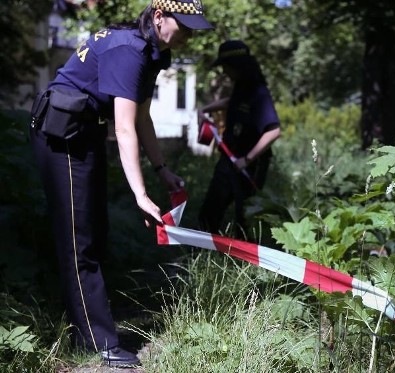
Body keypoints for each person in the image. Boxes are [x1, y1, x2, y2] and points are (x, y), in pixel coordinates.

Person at [29, 0, 213, 368]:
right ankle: (98, 343)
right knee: (79, 241)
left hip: (85, 132)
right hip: (61, 135)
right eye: (185, 24)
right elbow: (124, 126)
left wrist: (160, 169)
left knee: (95, 230)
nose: (191, 33)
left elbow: (142, 116)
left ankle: (88, 329)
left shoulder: (154, 51)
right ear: (160, 17)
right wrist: (141, 195)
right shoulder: (128, 49)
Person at [198, 40, 281, 236]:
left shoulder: (259, 93)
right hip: (228, 159)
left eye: (226, 66)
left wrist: (247, 159)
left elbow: (274, 131)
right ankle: (202, 256)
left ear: (237, 65)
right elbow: (232, 102)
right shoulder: (240, 87)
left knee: (244, 221)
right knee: (208, 214)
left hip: (249, 167)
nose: (224, 72)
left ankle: (244, 262)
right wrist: (206, 109)